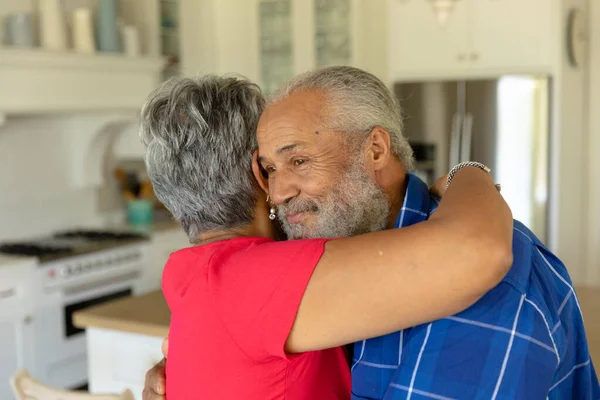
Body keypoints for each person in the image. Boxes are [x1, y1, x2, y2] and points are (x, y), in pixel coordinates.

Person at [144, 66, 599, 399]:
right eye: (268, 169)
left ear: (376, 149)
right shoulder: (315, 258)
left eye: (298, 160)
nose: (279, 192)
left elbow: (476, 251)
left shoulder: (484, 293)